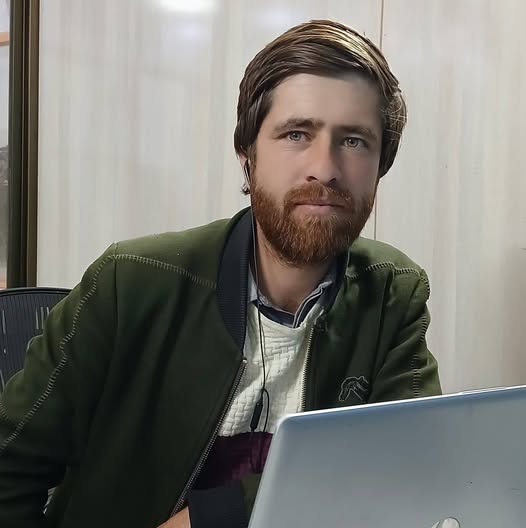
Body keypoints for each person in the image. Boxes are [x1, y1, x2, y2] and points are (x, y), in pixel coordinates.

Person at [0, 19, 441, 528]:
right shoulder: (128, 284)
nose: (325, 168)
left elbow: (407, 469)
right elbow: (9, 470)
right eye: (297, 134)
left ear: (380, 165)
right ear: (247, 155)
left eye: (355, 141)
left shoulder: (392, 293)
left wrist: (215, 516)